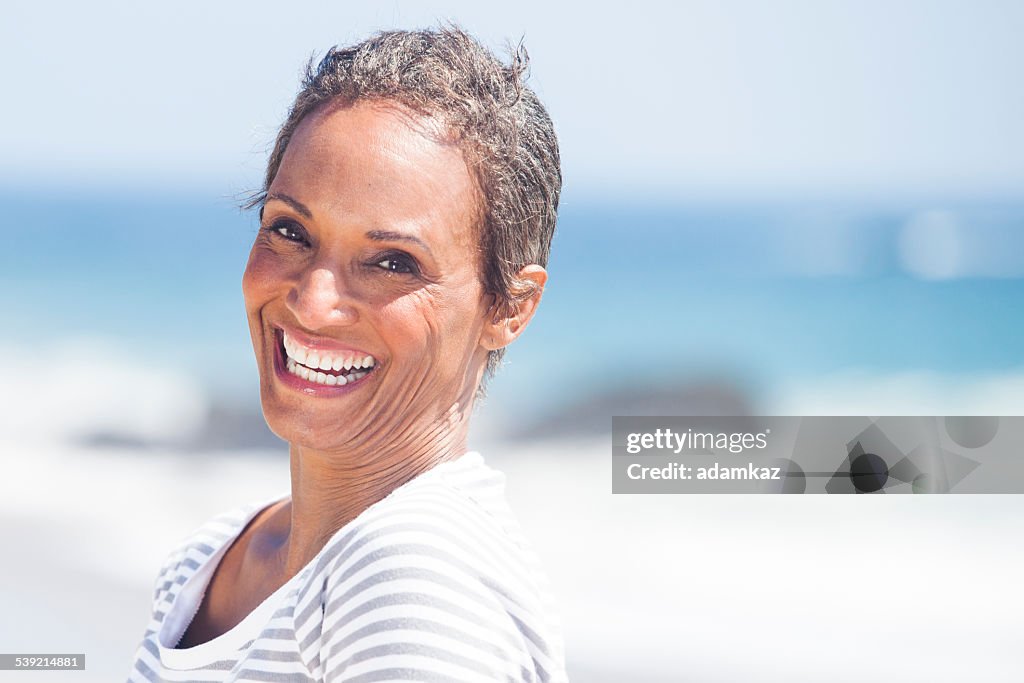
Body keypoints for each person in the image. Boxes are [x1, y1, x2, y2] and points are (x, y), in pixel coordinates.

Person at [127, 26, 567, 682]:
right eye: (289, 229)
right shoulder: (209, 560)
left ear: (509, 307)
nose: (313, 301)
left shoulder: (413, 580)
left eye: (392, 261)